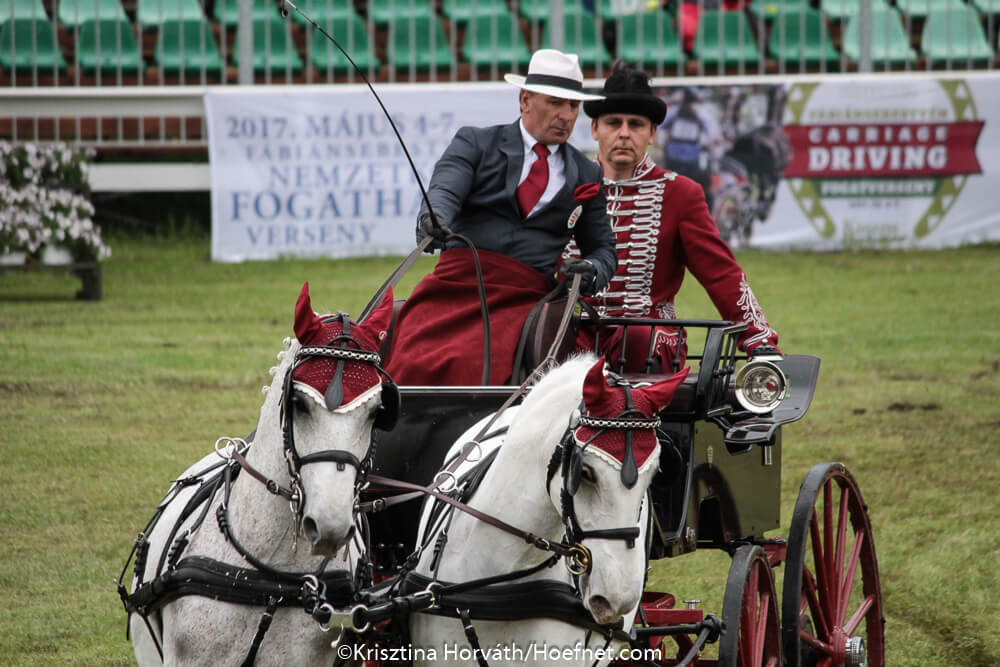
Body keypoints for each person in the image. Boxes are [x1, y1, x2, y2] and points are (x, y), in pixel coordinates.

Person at [385, 49, 618, 386]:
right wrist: (433, 219)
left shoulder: (587, 174)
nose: (566, 116)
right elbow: (445, 189)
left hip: (527, 298)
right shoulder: (475, 143)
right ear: (525, 100)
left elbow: (604, 249)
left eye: (573, 106)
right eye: (555, 103)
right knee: (412, 357)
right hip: (456, 284)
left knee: (476, 362)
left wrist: (592, 269)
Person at [567, 61, 779, 373]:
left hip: (647, 338)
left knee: (637, 337)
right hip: (579, 331)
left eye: (636, 125)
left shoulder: (680, 194)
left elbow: (721, 274)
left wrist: (760, 340)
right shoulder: (567, 186)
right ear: (595, 129)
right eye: (613, 123)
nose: (624, 134)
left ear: (652, 133)